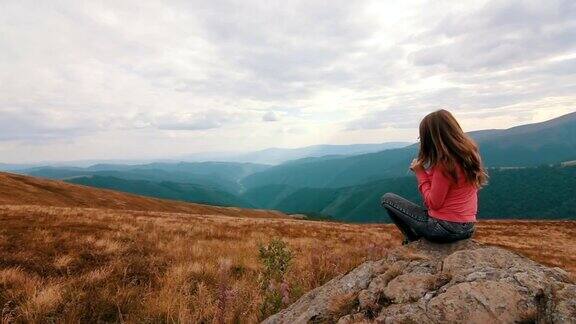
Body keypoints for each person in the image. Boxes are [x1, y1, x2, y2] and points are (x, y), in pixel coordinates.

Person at [381, 109, 488, 244]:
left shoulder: (444, 164)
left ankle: (412, 240)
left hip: (443, 229)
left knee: (387, 199)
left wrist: (420, 173)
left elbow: (433, 203)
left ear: (430, 138)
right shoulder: (470, 155)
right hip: (468, 228)